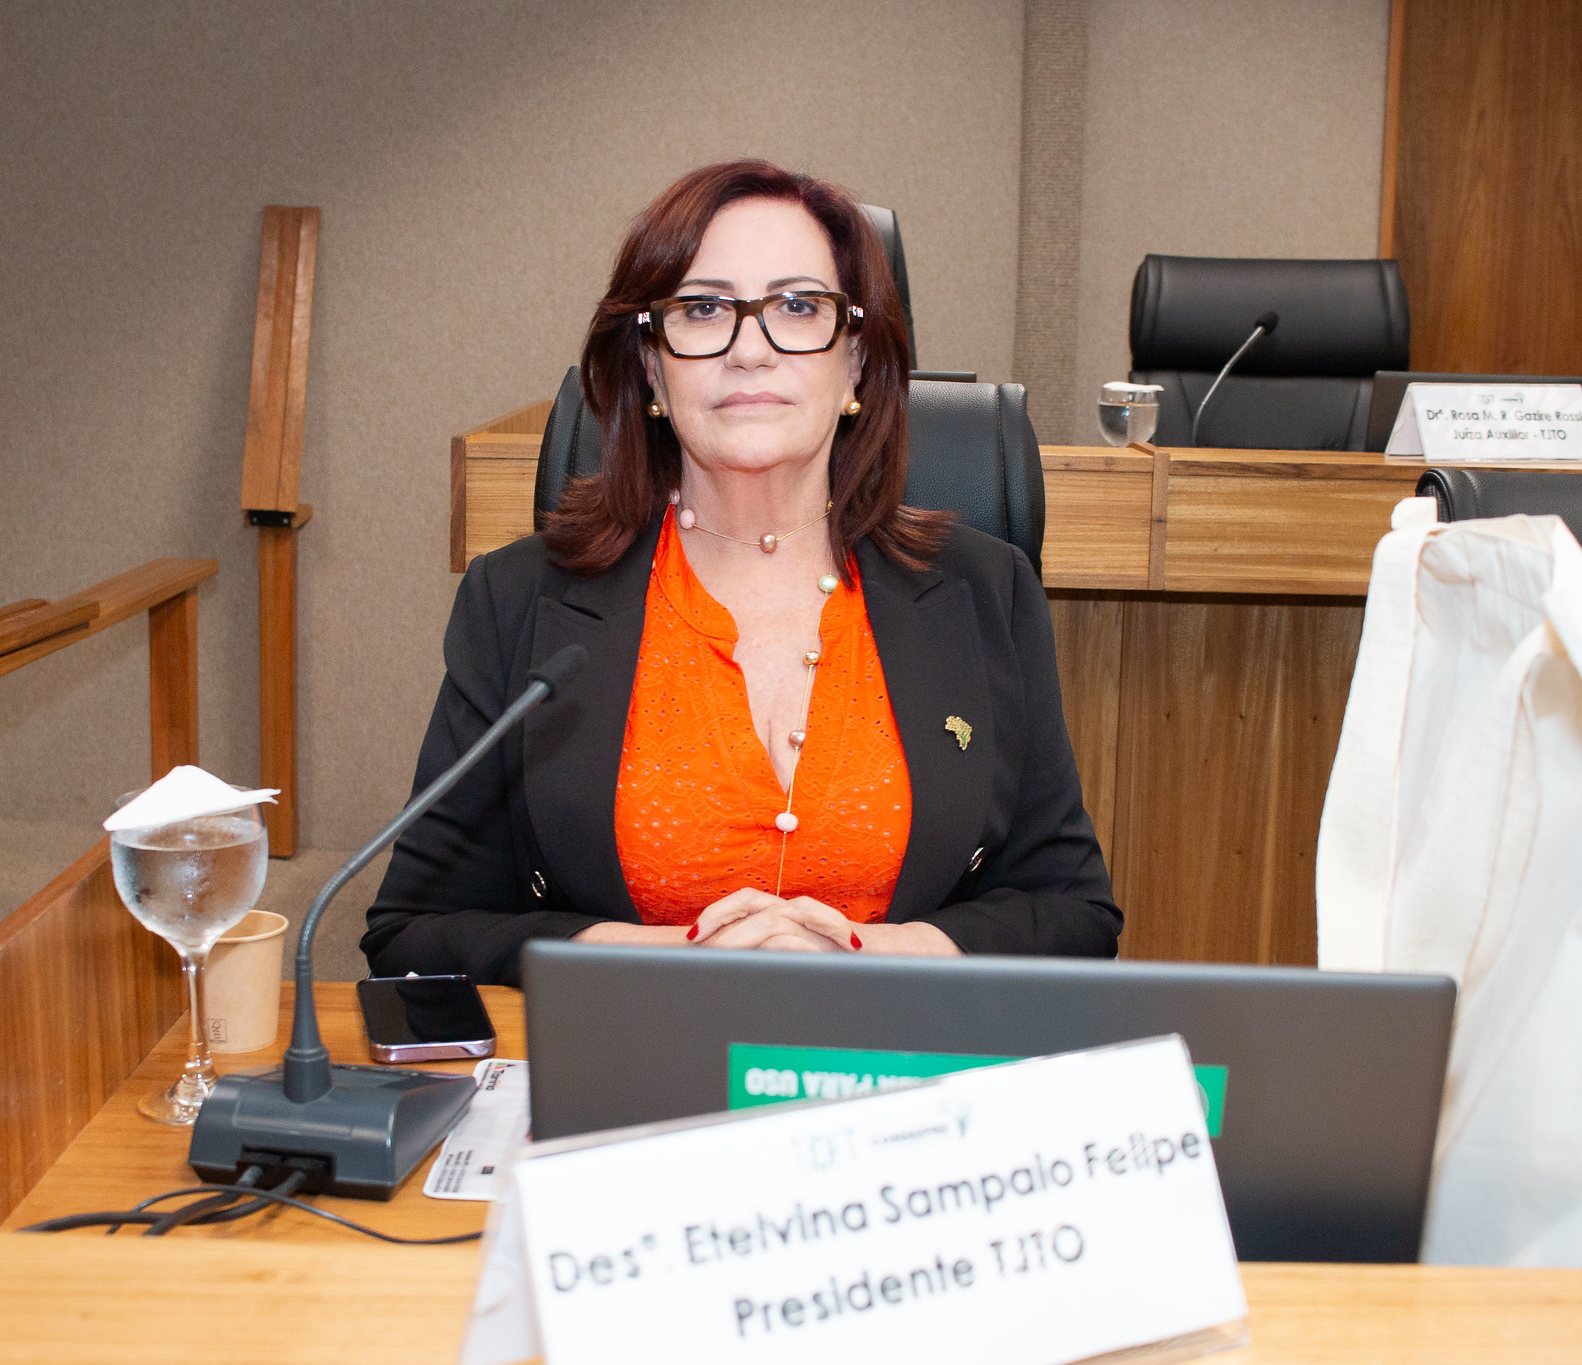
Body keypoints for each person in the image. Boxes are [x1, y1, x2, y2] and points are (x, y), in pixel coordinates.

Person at [363, 159, 1119, 984]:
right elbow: (415, 931)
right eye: (702, 309)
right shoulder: (517, 601)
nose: (750, 348)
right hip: (634, 1073)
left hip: (896, 1078)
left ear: (857, 360)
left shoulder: (985, 592)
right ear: (651, 366)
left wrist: (876, 954)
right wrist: (663, 957)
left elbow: (1074, 912)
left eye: (799, 307)